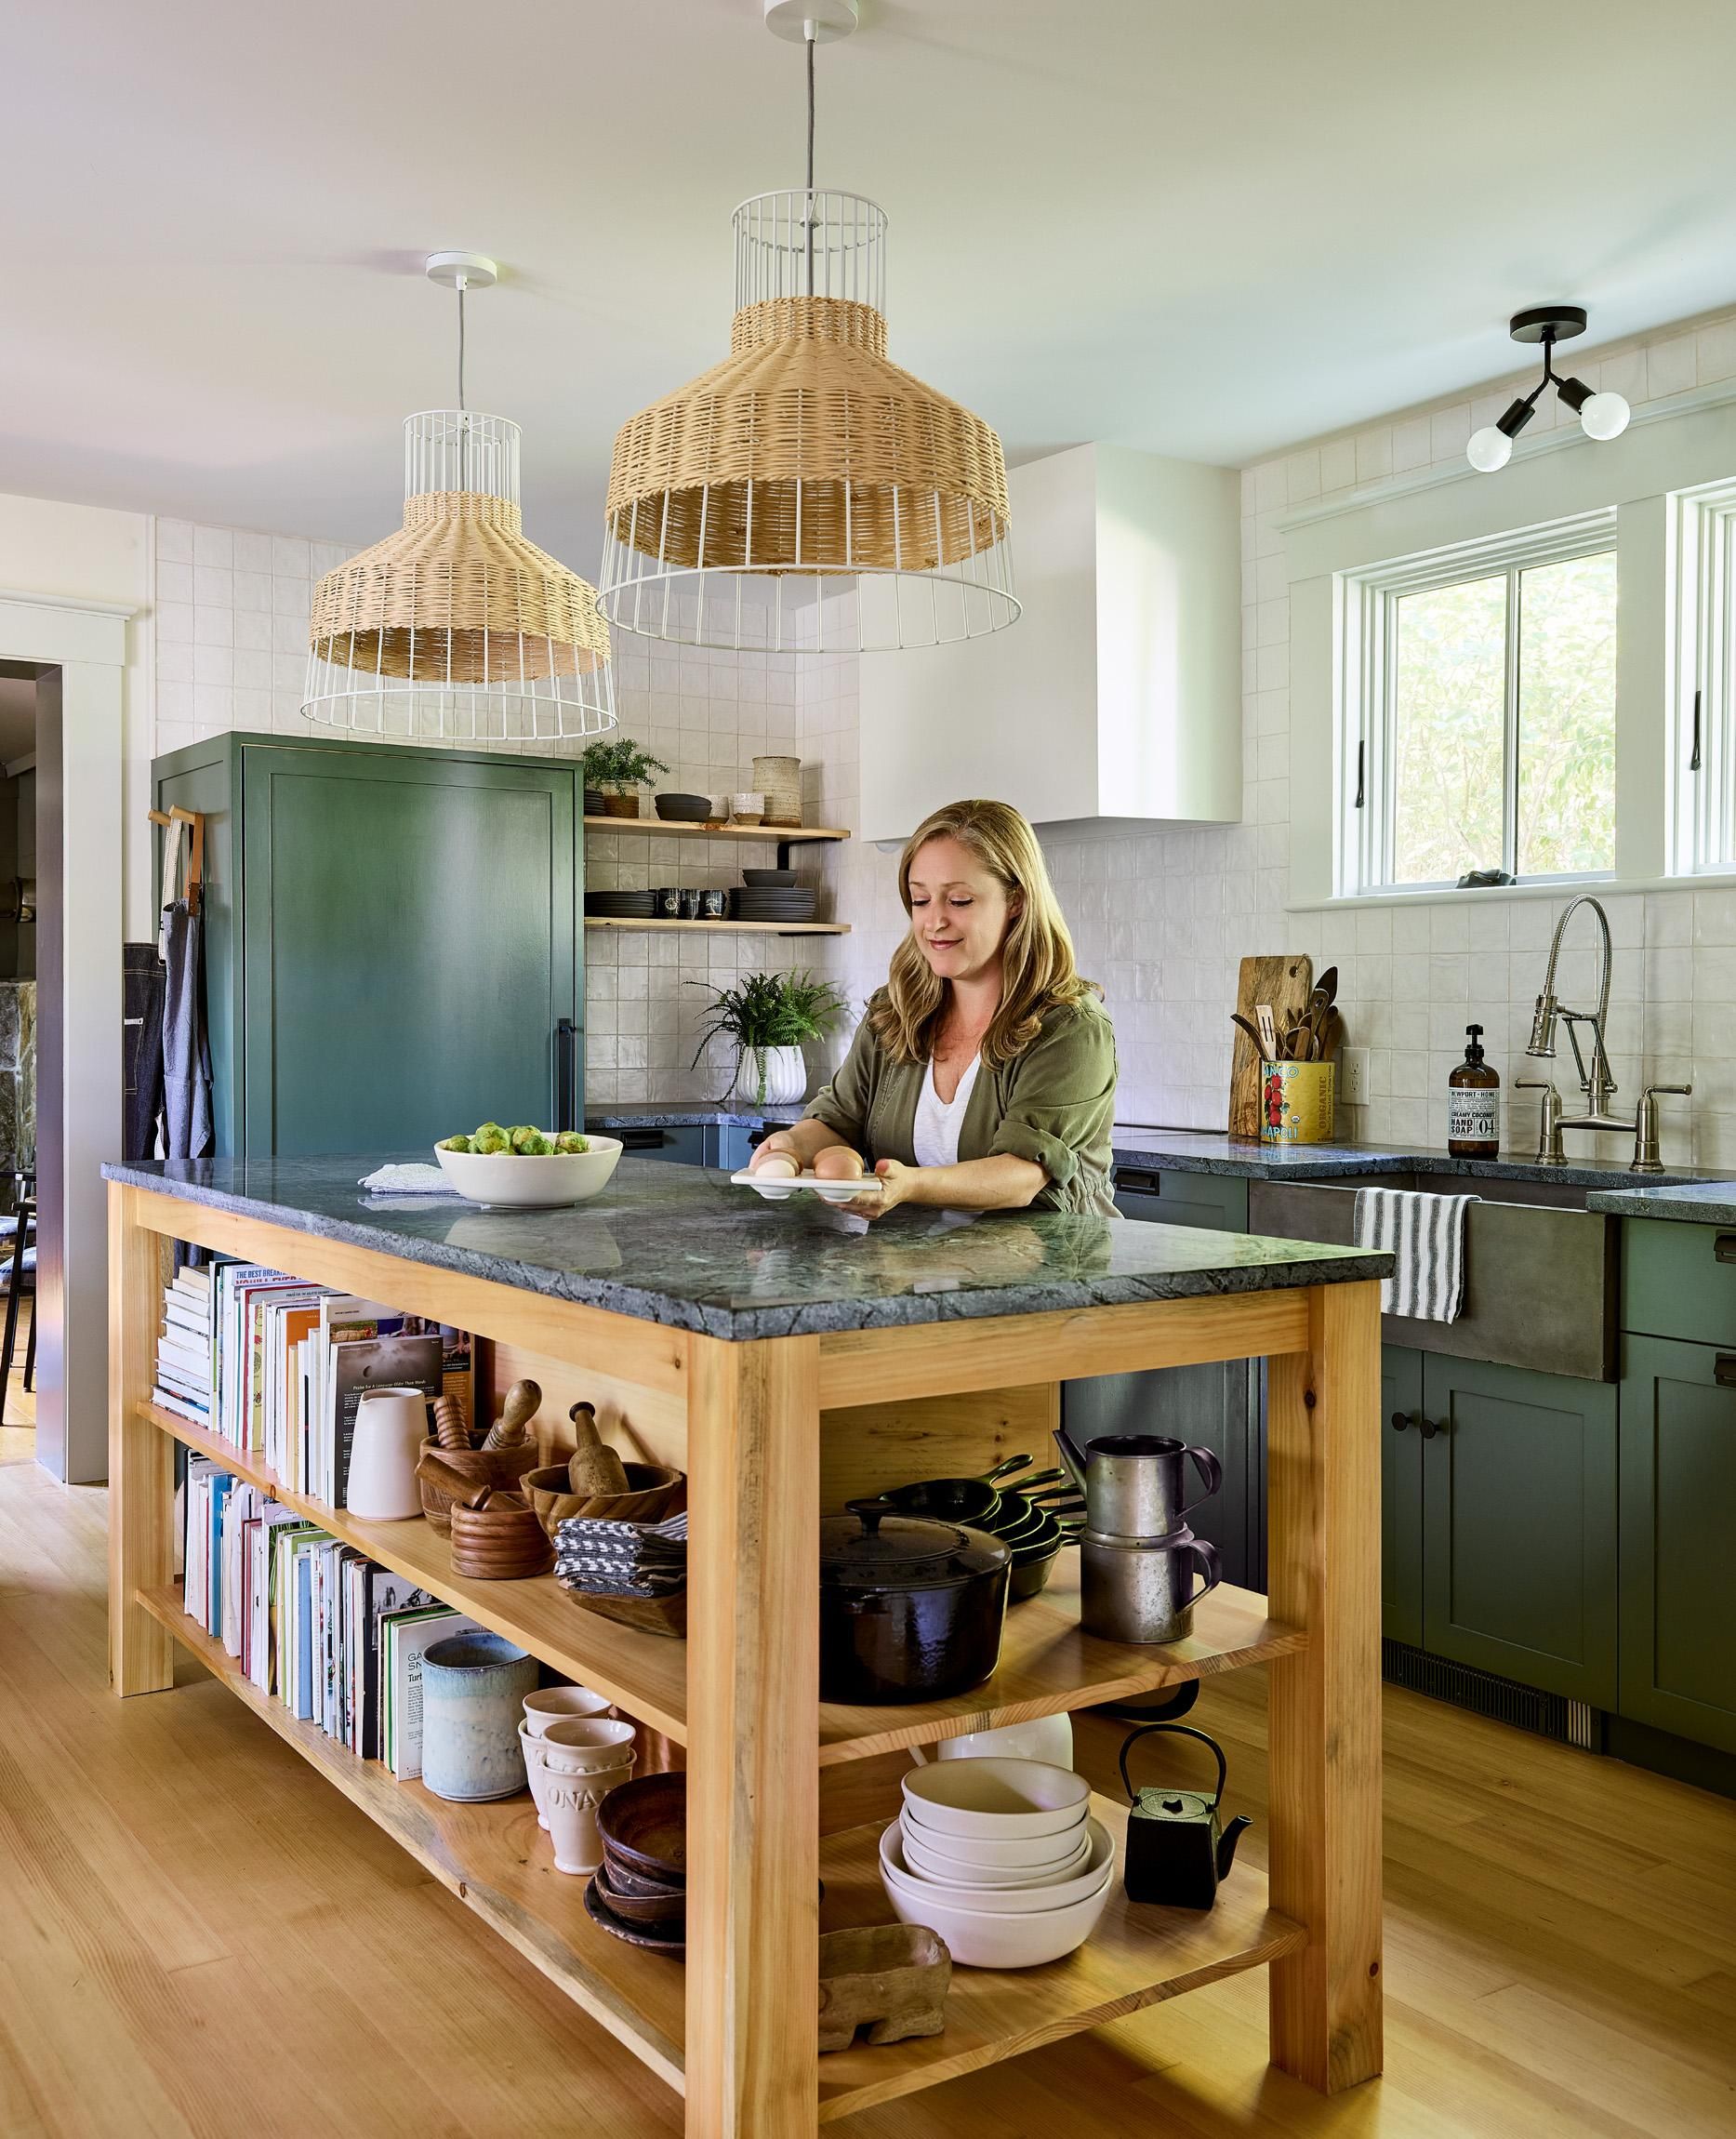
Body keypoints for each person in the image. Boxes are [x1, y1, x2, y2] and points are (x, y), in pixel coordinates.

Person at [749, 799, 1118, 1219]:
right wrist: (793, 1146)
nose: (933, 921)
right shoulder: (895, 1010)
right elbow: (839, 1120)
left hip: (1052, 1270)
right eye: (920, 900)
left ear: (1015, 900)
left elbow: (1023, 1175)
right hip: (915, 1271)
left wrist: (906, 1187)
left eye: (959, 901)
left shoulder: (1069, 1025)